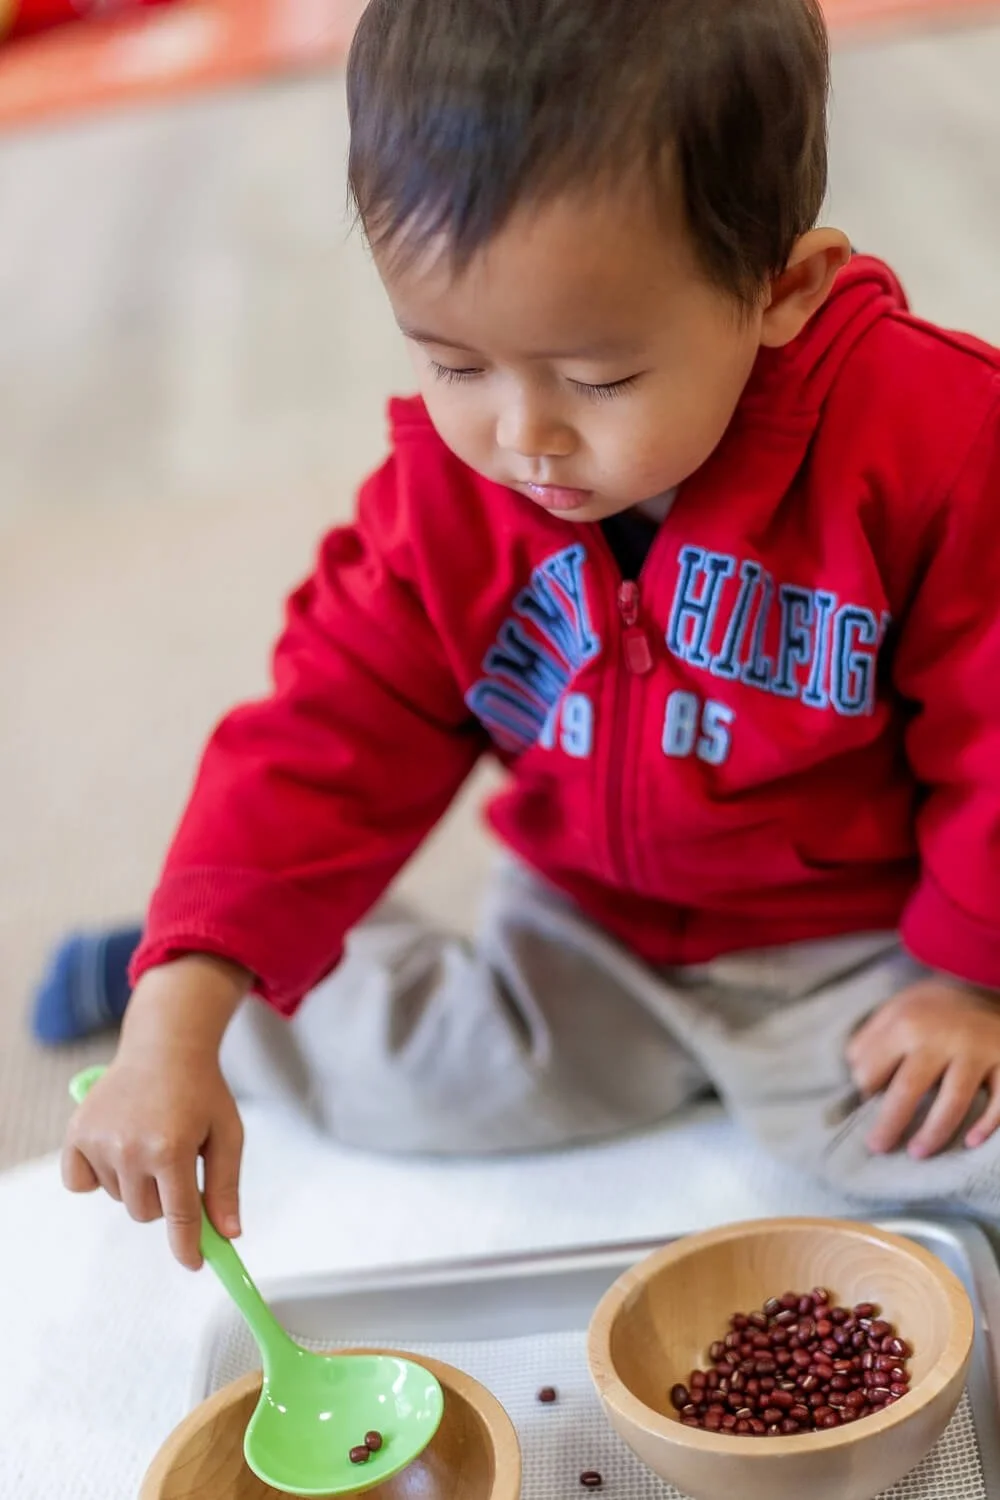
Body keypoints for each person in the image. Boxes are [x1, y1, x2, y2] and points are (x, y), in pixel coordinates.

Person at [55, 0, 1000, 1270]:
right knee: (418, 1075)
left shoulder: (940, 446)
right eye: (452, 363)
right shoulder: (447, 503)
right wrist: (183, 1011)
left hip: (859, 947)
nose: (524, 437)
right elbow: (327, 731)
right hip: (582, 930)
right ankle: (177, 958)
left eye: (600, 378)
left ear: (783, 290)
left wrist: (968, 973)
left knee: (961, 1149)